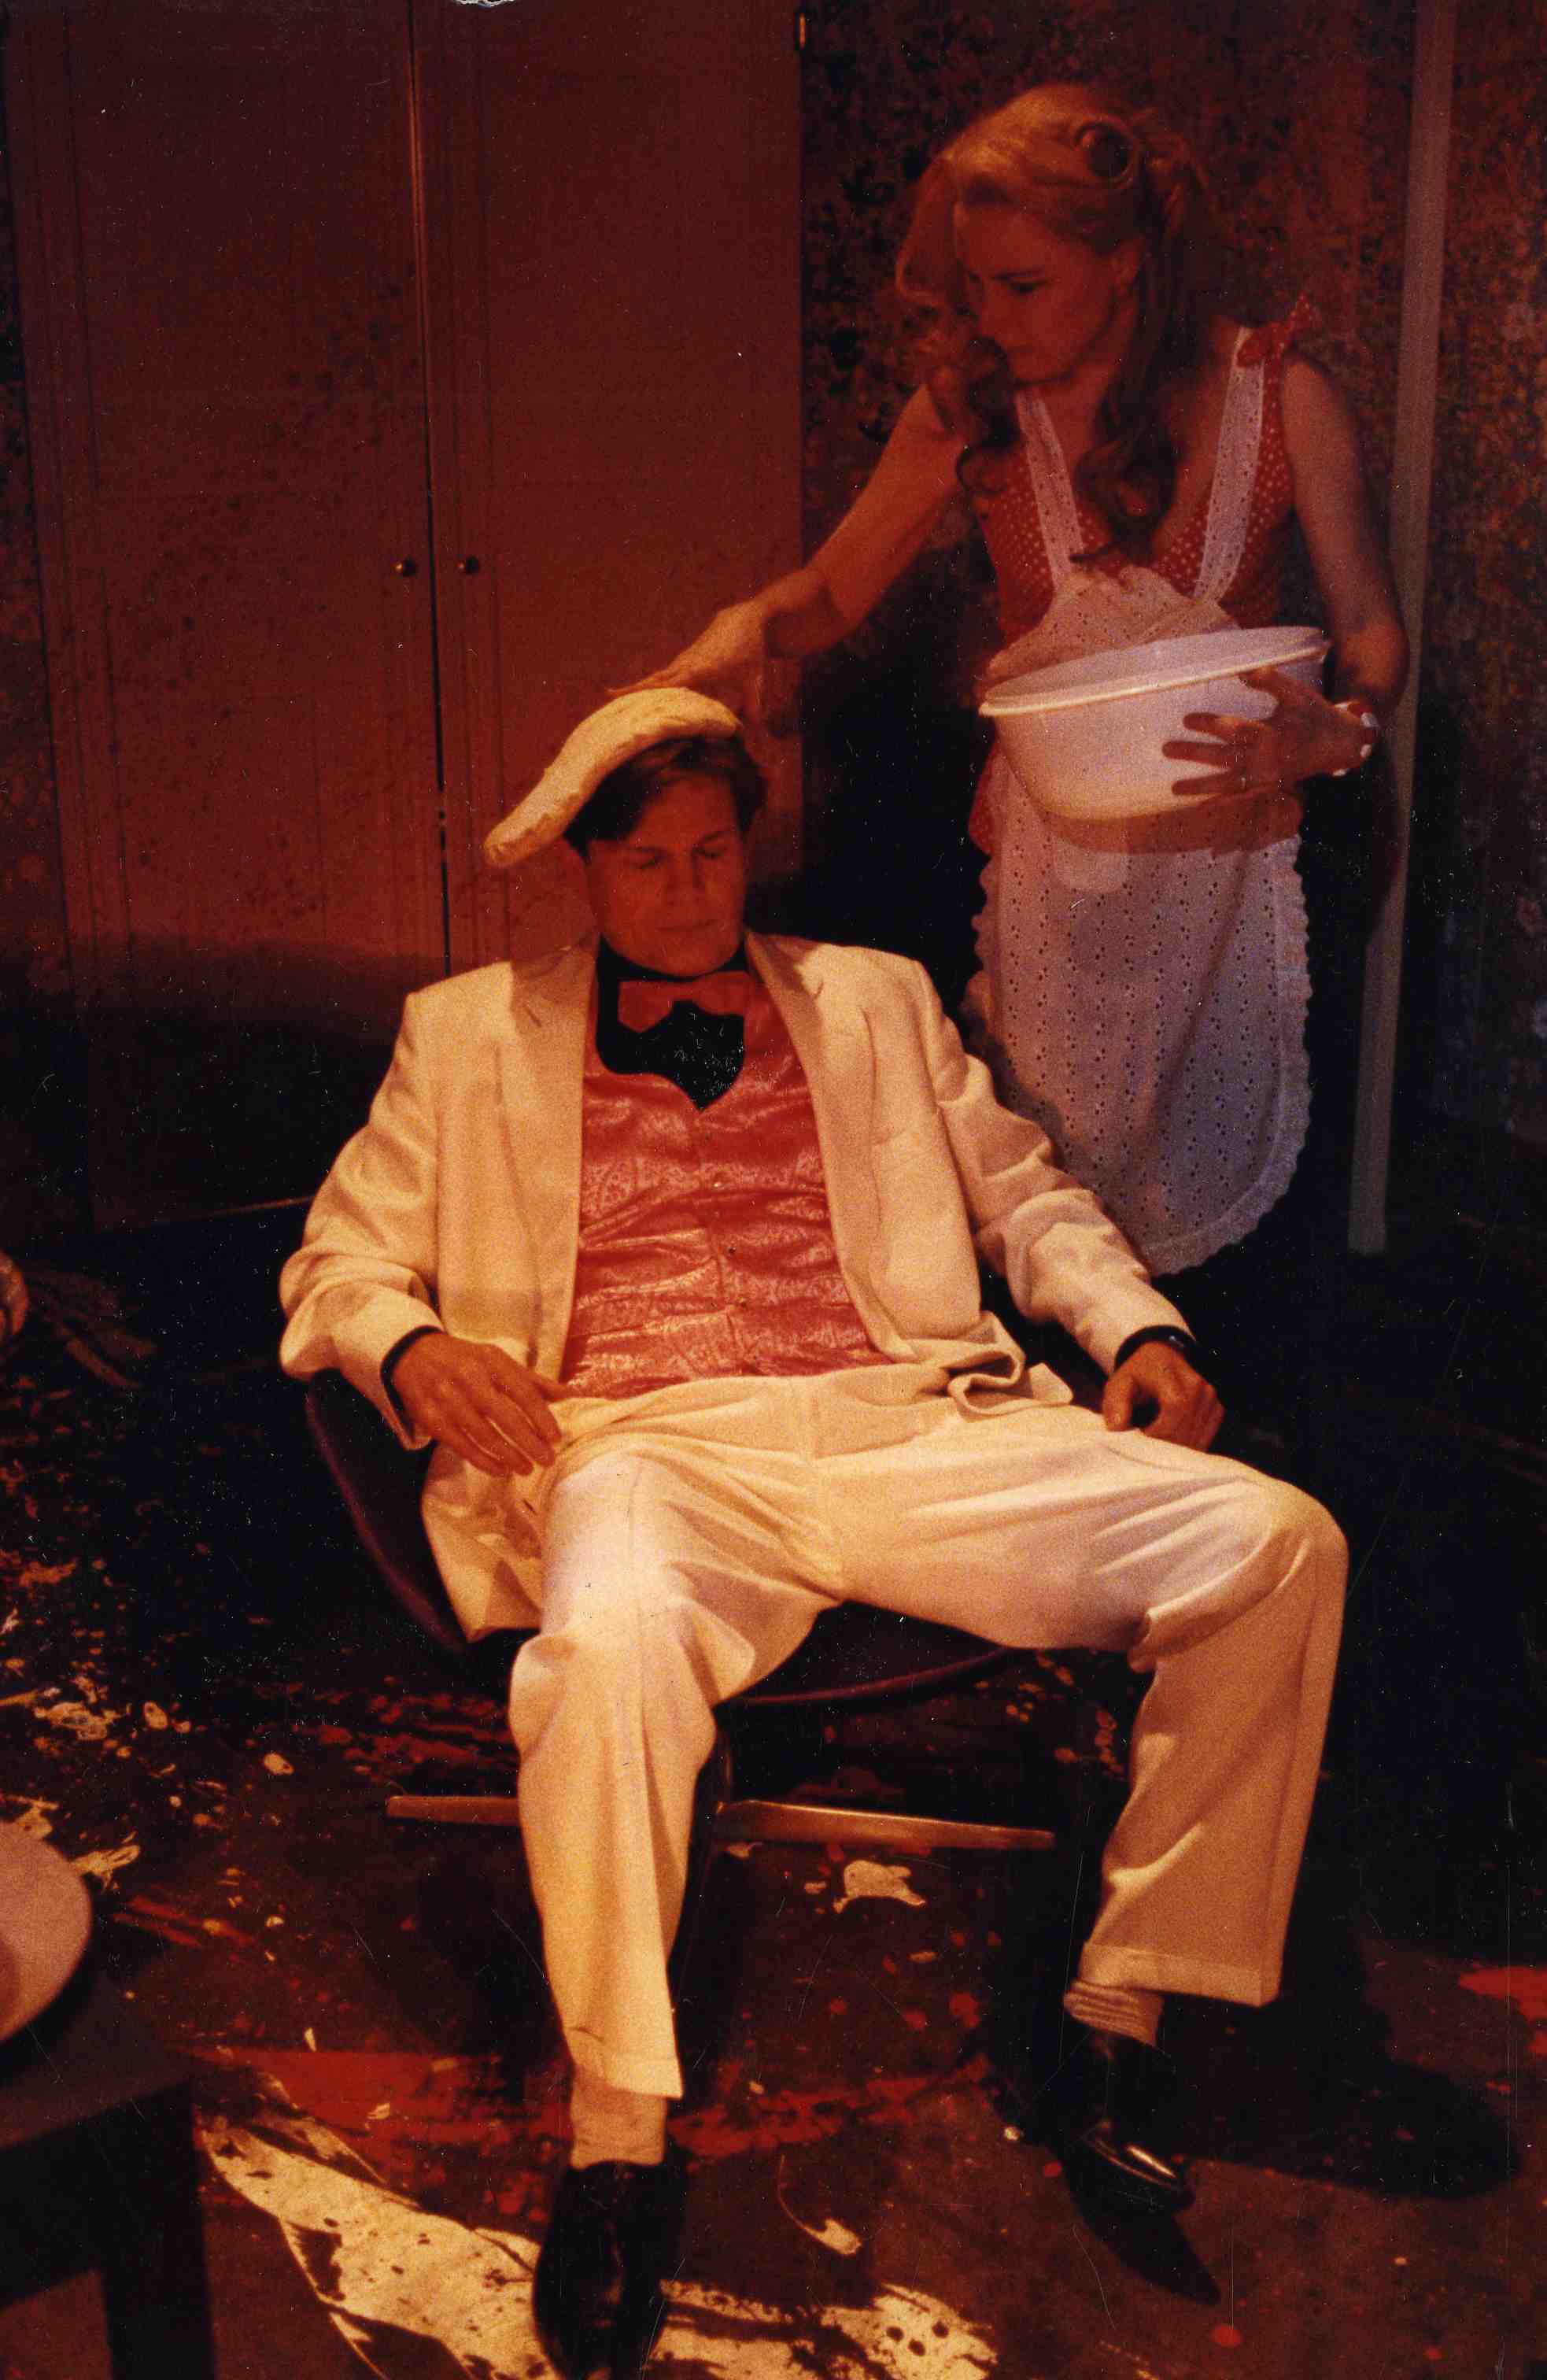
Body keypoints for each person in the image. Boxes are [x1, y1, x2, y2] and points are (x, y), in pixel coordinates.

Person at [280, 689, 1347, 2378]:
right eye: (648, 864)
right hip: (644, 1449)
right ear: (584, 870)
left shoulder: (874, 998)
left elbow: (1021, 1197)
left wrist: (1136, 1327)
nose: (688, 893)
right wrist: (409, 1347)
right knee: (604, 1655)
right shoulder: (465, 1033)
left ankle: (1120, 2006)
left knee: (1276, 1546)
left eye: (713, 855)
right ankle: (616, 2132)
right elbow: (337, 1259)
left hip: (910, 1423)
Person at [631, 81, 1409, 1284]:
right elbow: (829, 591)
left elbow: (1368, 631)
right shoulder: (969, 415)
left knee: (1243, 1247)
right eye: (975, 285)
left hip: (1243, 867)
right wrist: (746, 627)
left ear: (1126, 262)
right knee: (1043, 1212)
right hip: (1053, 873)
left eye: (1023, 285)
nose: (988, 318)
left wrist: (1339, 731)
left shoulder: (1279, 395)